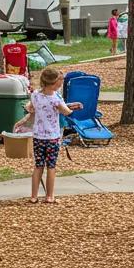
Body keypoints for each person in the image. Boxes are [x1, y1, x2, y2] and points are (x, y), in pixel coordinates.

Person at [22, 66, 82, 204]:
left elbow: (30, 107)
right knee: (51, 166)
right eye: (60, 81)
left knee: (38, 166)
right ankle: (49, 196)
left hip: (38, 136)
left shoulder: (35, 94)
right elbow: (66, 112)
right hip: (52, 137)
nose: (61, 84)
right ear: (54, 82)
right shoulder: (56, 98)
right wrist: (73, 107)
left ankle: (33, 196)